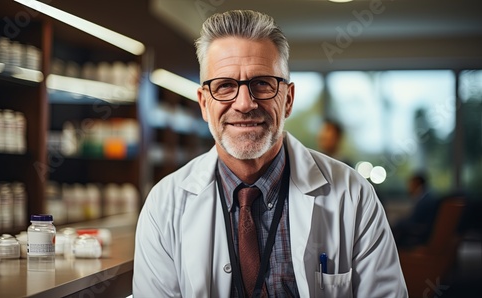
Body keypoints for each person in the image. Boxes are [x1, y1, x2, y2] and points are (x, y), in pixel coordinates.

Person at [133, 10, 407, 297]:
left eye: (262, 83)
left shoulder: (353, 195)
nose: (244, 103)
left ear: (287, 99)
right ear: (204, 104)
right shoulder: (164, 206)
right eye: (225, 85)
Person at [393, 172, 439, 248]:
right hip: (424, 233)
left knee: (396, 229)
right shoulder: (427, 197)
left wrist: (397, 223)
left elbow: (415, 222)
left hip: (422, 237)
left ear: (417, 184)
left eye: (411, 184)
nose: (409, 188)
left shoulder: (425, 201)